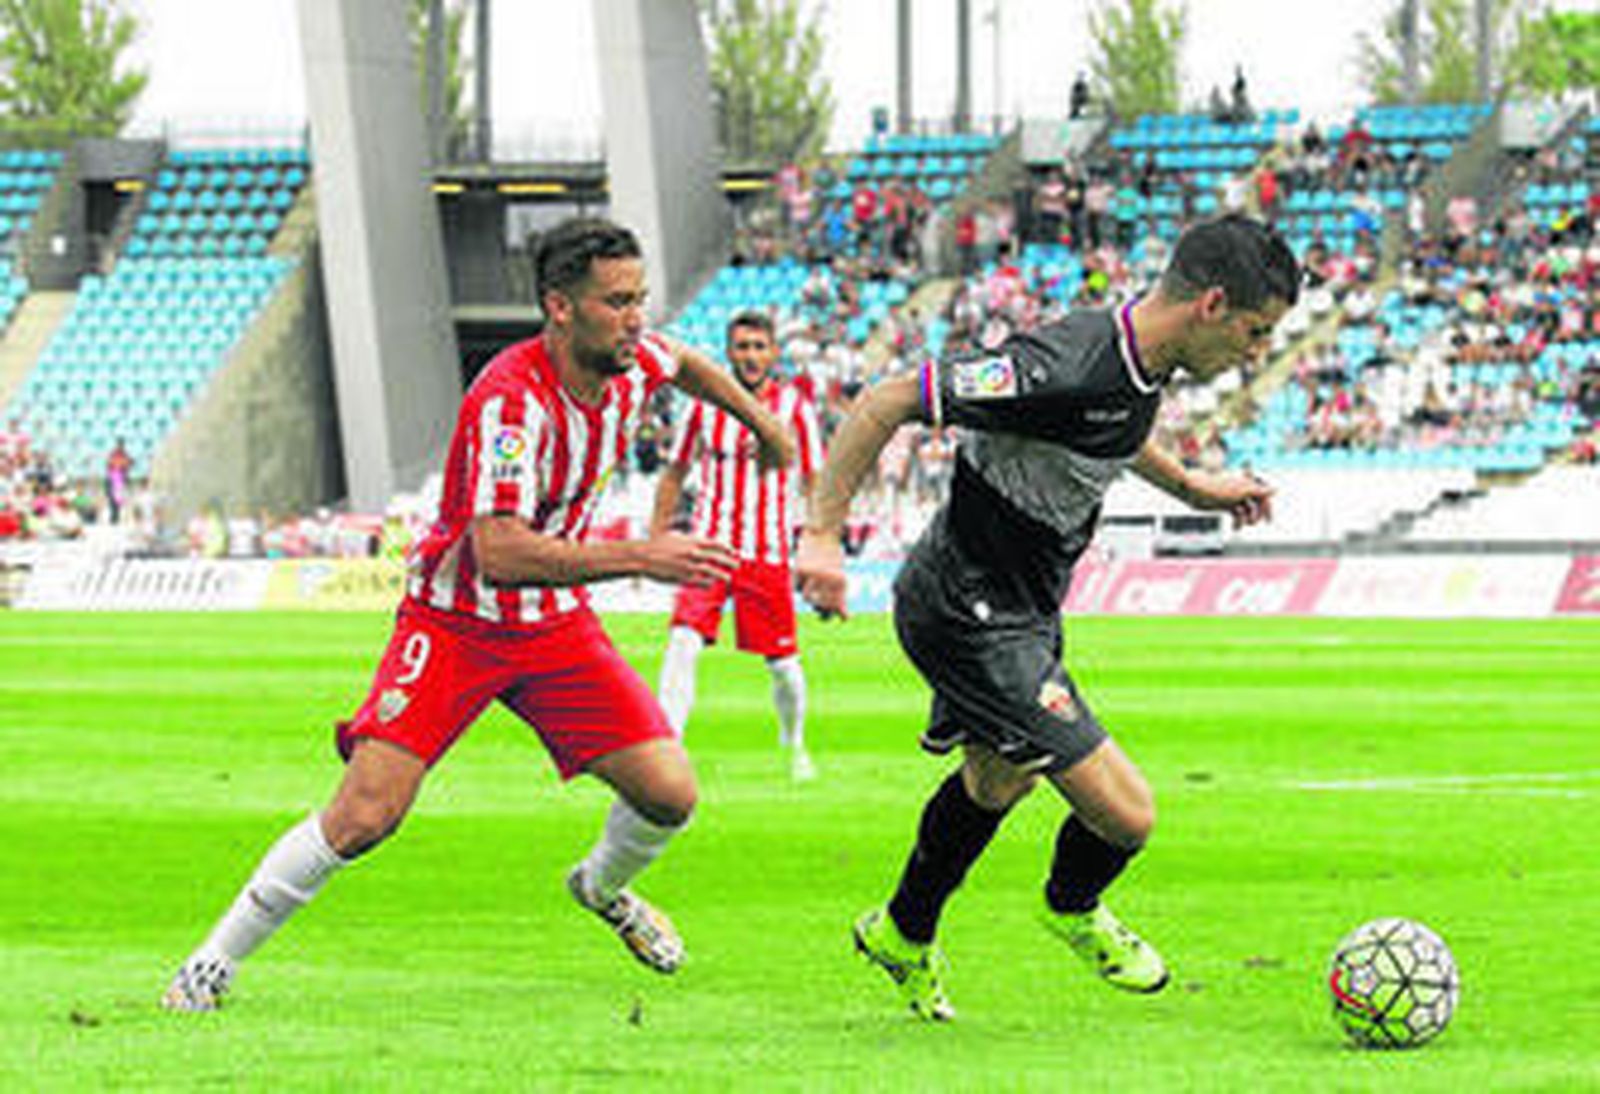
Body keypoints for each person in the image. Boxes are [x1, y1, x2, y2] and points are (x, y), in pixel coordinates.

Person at [161, 217, 796, 1011]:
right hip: (454, 622)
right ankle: (209, 966)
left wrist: (763, 423)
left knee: (670, 793)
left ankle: (601, 890)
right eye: (617, 302)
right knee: (365, 816)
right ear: (559, 307)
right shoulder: (509, 402)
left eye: (640, 299)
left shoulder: (633, 363)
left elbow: (690, 363)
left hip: (553, 623)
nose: (637, 319)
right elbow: (498, 551)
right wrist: (644, 553)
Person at [796, 214, 1299, 1021]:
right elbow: (888, 399)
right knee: (1126, 814)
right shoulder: (1066, 364)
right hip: (969, 608)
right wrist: (822, 535)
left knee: (998, 780)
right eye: (1254, 331)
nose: (1256, 352)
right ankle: (1071, 907)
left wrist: (1199, 491)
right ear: (1211, 304)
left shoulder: (1136, 361)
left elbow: (1116, 431)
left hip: (1017, 605)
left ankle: (901, 931)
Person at [652, 311, 825, 780]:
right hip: (709, 546)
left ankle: (795, 744)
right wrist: (657, 535)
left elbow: (815, 480)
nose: (750, 356)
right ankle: (669, 748)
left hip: (767, 553)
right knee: (682, 642)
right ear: (729, 352)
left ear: (773, 352)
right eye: (742, 347)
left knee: (783, 666)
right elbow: (675, 473)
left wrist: (817, 543)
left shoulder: (795, 409)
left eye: (758, 347)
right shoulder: (704, 407)